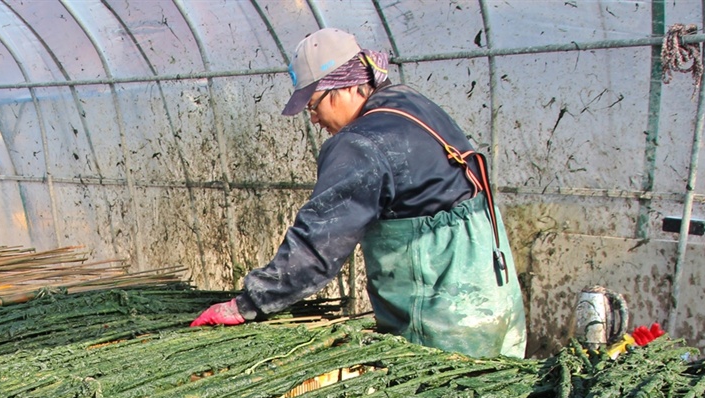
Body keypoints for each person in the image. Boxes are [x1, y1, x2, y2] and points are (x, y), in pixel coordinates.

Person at [191, 29, 527, 359]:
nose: (314, 119)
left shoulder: (360, 143)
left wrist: (247, 305)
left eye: (313, 105)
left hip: (444, 319)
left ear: (347, 87)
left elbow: (318, 244)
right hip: (496, 301)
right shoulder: (410, 104)